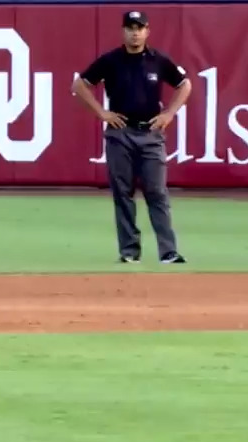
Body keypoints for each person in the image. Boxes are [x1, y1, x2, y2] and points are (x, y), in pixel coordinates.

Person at [72, 10, 191, 265]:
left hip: (150, 132)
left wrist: (169, 113)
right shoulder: (111, 60)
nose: (135, 32)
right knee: (122, 193)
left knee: (156, 192)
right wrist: (102, 113)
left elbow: (184, 84)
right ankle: (129, 251)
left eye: (139, 27)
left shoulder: (158, 60)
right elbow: (80, 84)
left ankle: (168, 251)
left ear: (148, 31)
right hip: (120, 133)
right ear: (122, 31)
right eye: (130, 27)